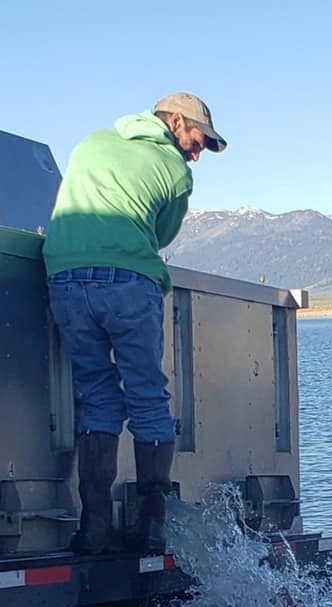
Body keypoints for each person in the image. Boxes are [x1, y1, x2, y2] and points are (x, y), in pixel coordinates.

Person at [43, 92, 227, 554]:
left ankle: (95, 527)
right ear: (175, 120)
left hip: (64, 277)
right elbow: (160, 235)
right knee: (146, 396)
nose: (197, 151)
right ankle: (151, 525)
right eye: (198, 138)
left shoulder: (90, 144)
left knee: (98, 396)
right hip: (128, 282)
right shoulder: (175, 172)